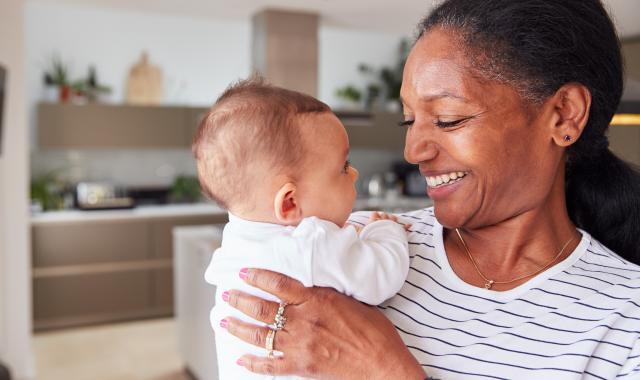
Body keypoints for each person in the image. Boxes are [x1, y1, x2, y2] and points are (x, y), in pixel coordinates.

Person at [217, 0, 640, 379]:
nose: (413, 149)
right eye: (409, 120)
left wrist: (385, 370)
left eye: (448, 118)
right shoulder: (354, 240)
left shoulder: (626, 322)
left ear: (564, 115)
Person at [191, 78, 412, 379]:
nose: (355, 173)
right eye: (344, 167)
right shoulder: (313, 244)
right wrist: (385, 230)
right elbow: (382, 275)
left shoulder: (234, 246)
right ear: (290, 203)